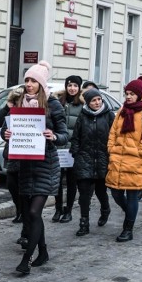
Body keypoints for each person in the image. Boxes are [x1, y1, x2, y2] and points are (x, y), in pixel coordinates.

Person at [2, 60, 68, 274]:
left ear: (41, 83)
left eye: (33, 80)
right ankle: (43, 251)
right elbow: (6, 127)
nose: (29, 84)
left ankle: (26, 260)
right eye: (26, 80)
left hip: (46, 165)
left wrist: (54, 136)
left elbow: (65, 135)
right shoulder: (19, 103)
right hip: (25, 166)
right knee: (32, 215)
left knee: (33, 211)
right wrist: (7, 134)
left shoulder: (53, 105)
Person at [106, 77, 142, 242]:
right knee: (116, 194)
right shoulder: (122, 111)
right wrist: (111, 149)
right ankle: (130, 213)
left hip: (136, 160)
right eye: (126, 93)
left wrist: (140, 152)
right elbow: (113, 132)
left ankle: (128, 229)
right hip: (117, 159)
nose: (128, 97)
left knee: (132, 195)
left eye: (132, 94)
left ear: (139, 95)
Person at [69, 88, 115, 236]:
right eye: (93, 100)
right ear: (88, 102)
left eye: (99, 99)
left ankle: (105, 209)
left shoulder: (109, 115)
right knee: (84, 194)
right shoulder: (83, 116)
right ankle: (84, 223)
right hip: (85, 159)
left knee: (101, 191)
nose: (97, 102)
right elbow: (76, 137)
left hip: (103, 159)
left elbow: (115, 135)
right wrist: (76, 153)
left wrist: (111, 154)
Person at [0, 85, 27, 247]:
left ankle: (24, 221)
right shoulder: (11, 111)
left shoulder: (31, 112)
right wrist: (8, 105)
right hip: (13, 154)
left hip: (27, 155)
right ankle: (19, 209)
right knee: (12, 185)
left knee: (24, 188)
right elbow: (0, 124)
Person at [52, 75, 84, 223]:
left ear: (79, 88)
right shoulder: (58, 102)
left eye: (75, 86)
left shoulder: (82, 105)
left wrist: (77, 147)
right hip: (58, 146)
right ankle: (58, 209)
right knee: (57, 180)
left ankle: (69, 210)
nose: (72, 88)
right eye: (70, 85)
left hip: (73, 149)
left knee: (72, 182)